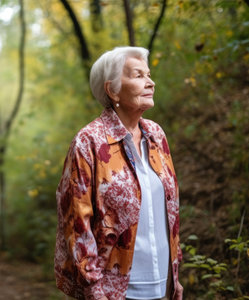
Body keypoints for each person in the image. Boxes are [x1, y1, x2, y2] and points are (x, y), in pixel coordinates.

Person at [54, 47, 183, 300]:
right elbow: (76, 224)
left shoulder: (157, 136)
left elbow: (171, 212)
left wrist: (176, 277)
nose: (150, 82)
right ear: (112, 90)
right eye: (138, 75)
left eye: (149, 74)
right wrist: (94, 289)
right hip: (114, 292)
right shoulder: (89, 141)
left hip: (163, 286)